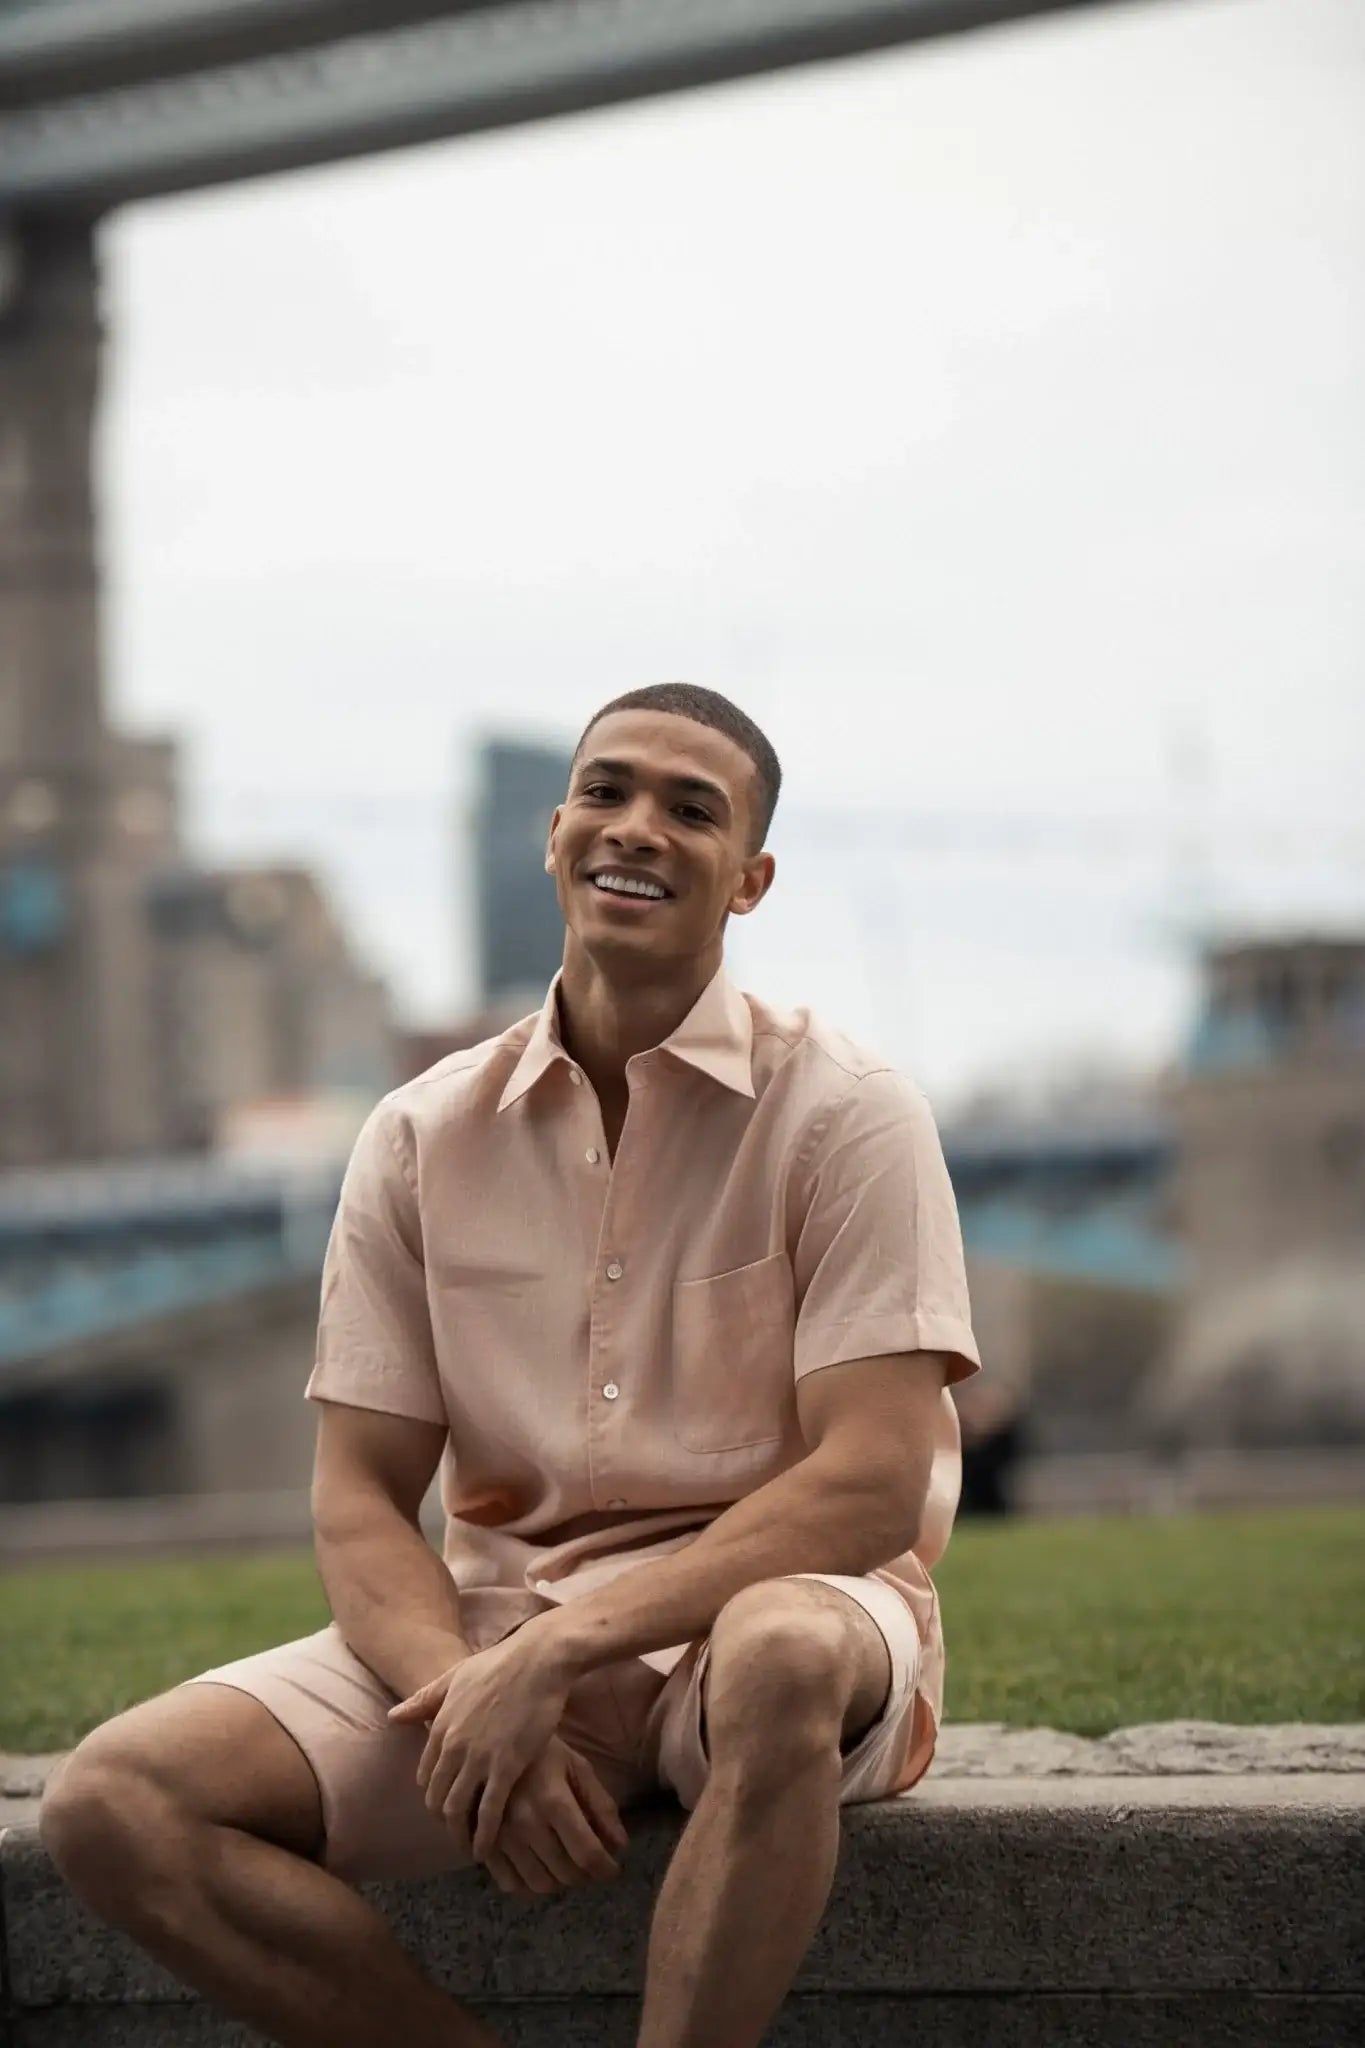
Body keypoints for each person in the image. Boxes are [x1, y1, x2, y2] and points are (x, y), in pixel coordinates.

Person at [40, 683, 982, 2048]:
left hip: (781, 1624)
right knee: (111, 1806)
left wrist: (559, 1658)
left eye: (689, 808)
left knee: (777, 1651)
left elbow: (873, 1485)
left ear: (749, 880)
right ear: (554, 835)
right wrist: (459, 1695)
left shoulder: (847, 1112)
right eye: (605, 792)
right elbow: (361, 1494)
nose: (635, 826)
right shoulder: (422, 1136)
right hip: (493, 1632)